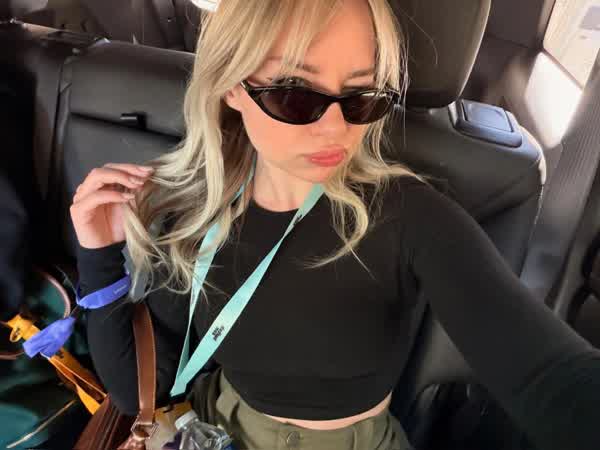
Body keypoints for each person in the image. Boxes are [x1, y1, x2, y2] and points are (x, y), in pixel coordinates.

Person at [70, 1, 600, 449]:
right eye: (295, 94)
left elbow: (545, 372)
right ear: (230, 86)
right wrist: (98, 253)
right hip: (216, 428)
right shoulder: (196, 211)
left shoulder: (411, 216)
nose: (335, 128)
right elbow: (138, 390)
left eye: (362, 97)